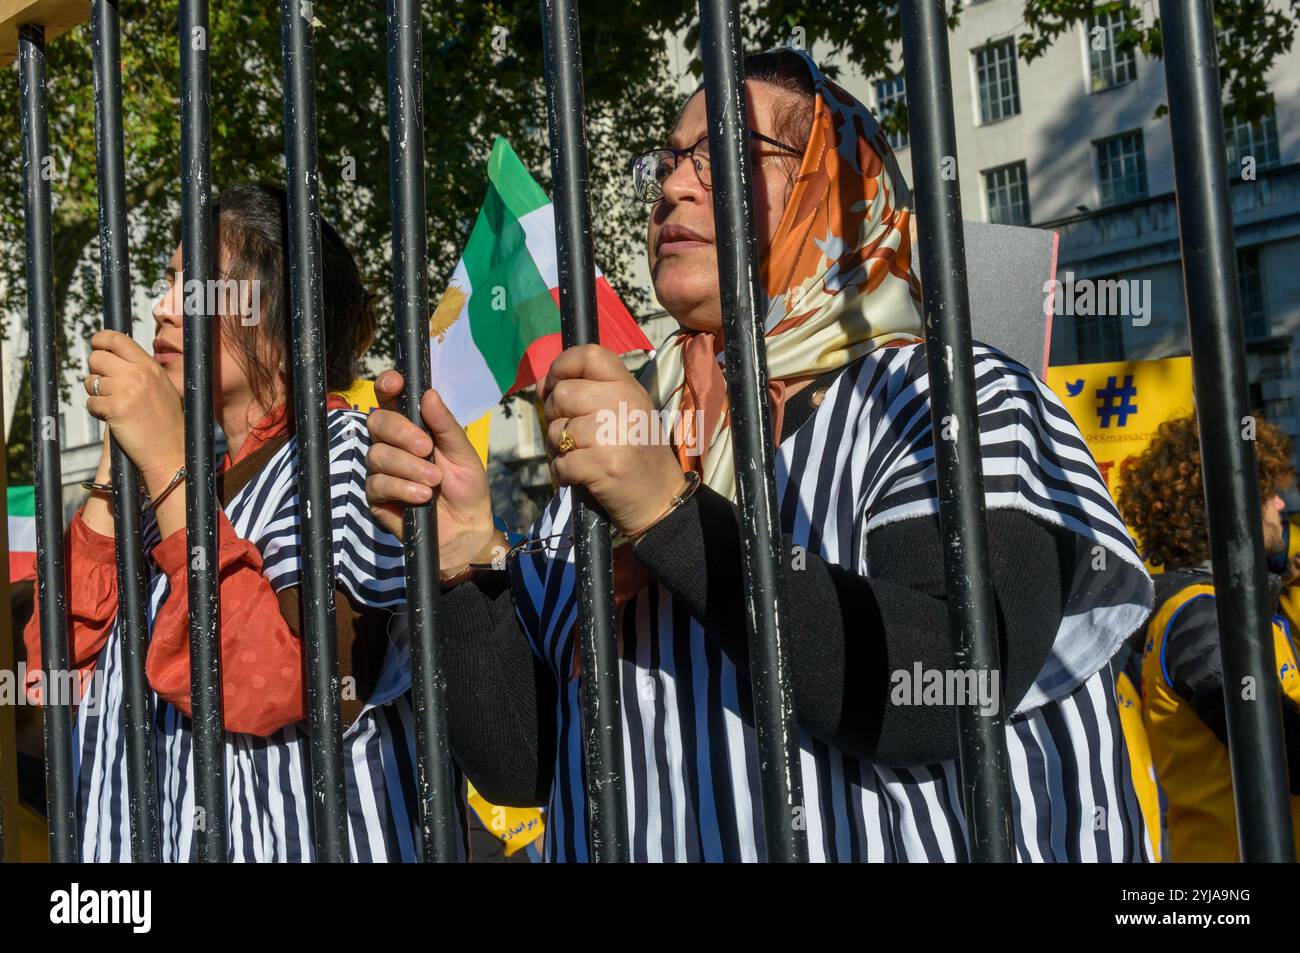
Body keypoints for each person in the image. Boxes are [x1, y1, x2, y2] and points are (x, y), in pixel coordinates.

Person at [366, 48, 1153, 861]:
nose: (673, 184)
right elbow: (527, 762)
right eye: (669, 161)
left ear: (834, 192)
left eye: (727, 157)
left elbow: (952, 681)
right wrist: (460, 566)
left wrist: (671, 516)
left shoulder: (947, 393)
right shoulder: (625, 431)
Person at [23, 183, 440, 861]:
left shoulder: (344, 453)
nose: (162, 308)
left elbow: (287, 680)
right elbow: (54, 673)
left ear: (285, 329)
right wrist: (115, 472)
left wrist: (165, 461)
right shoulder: (179, 489)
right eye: (166, 283)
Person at [1117, 413, 1300, 861]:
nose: (1281, 506)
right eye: (1269, 493)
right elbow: (1276, 746)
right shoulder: (1204, 615)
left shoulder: (1218, 607)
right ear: (1233, 505)